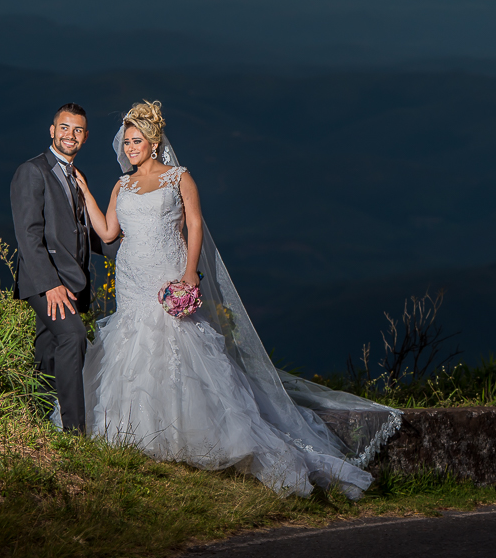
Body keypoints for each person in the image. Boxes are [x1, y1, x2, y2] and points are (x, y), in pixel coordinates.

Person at [74, 100, 400, 498]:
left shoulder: (179, 178)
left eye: (136, 141)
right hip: (131, 278)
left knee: (178, 348)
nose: (129, 148)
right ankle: (135, 439)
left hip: (167, 273)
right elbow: (108, 233)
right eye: (126, 142)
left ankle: (192, 439)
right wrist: (86, 190)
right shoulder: (121, 185)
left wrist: (190, 272)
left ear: (154, 142)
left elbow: (194, 225)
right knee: (131, 346)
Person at [10, 103, 114, 434]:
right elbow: (28, 234)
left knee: (48, 349)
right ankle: (74, 432)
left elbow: (83, 231)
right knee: (72, 336)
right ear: (52, 131)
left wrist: (131, 249)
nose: (70, 134)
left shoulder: (75, 176)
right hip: (46, 281)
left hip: (73, 280)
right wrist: (49, 284)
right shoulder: (32, 171)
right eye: (65, 128)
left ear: (85, 137)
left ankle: (37, 420)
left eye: (78, 130)